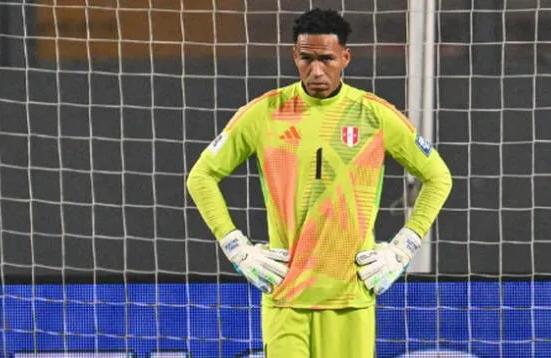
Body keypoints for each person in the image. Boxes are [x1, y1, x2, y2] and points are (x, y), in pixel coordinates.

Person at [187, 8, 452, 358]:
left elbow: (438, 176)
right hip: (285, 299)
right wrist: (236, 247)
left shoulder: (374, 115)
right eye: (306, 58)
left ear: (345, 57)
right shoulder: (265, 113)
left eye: (326, 59)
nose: (316, 70)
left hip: (350, 298)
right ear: (295, 55)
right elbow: (200, 176)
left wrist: (404, 247)